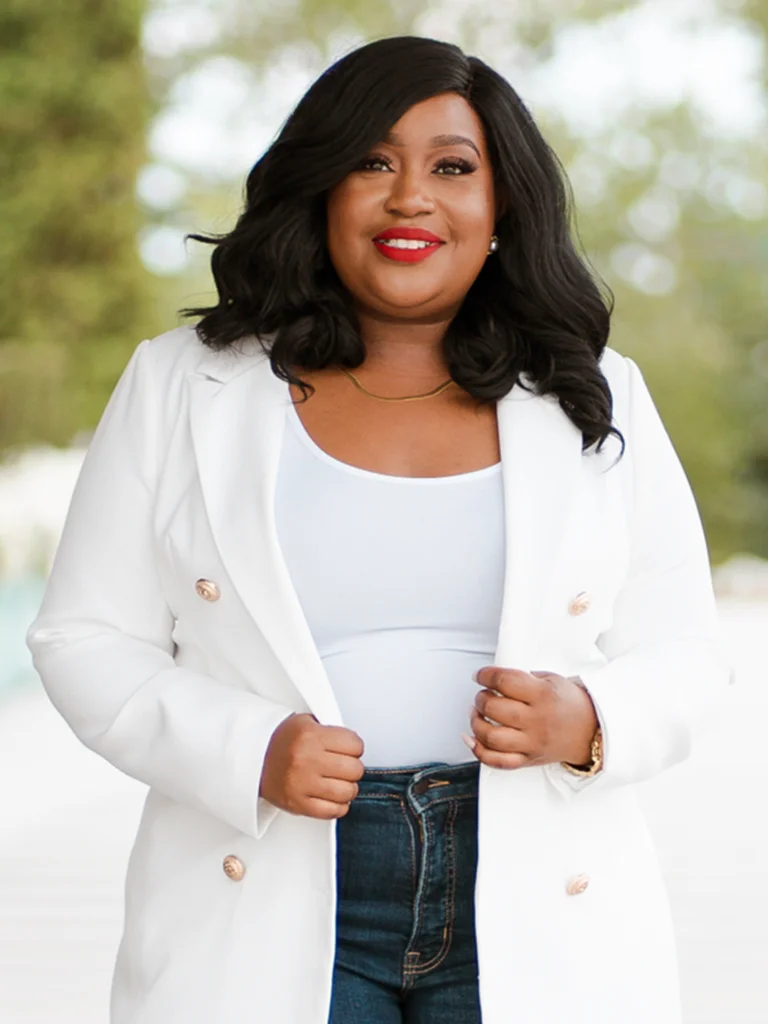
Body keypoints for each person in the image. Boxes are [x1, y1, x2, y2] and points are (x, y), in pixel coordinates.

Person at [26, 35, 730, 1024]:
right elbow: (83, 635)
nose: (410, 198)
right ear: (321, 189)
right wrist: (248, 748)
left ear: (502, 205)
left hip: (535, 886)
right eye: (371, 162)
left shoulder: (593, 393)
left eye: (452, 167)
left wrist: (588, 719)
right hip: (266, 885)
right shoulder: (182, 383)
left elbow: (688, 652)